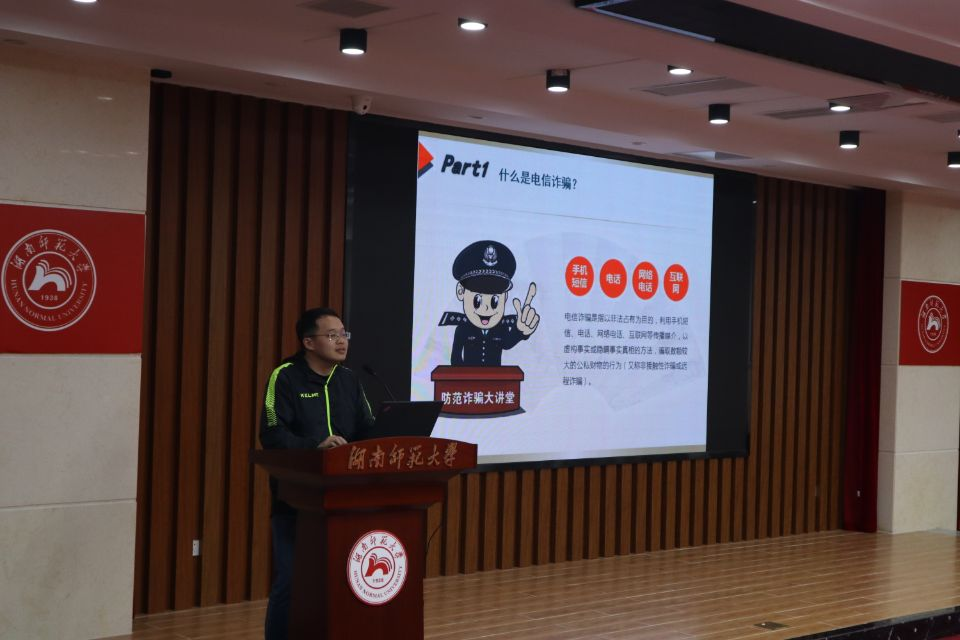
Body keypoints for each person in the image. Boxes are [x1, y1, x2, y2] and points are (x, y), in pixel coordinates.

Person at [259, 307, 374, 640]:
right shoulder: (285, 377)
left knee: (344, 579)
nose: (341, 341)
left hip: (346, 499)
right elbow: (272, 434)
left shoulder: (349, 380)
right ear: (308, 342)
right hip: (296, 501)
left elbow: (367, 430)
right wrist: (315, 446)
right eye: (332, 335)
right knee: (291, 581)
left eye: (344, 334)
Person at [438, 240, 540, 366]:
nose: (486, 308)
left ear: (505, 297)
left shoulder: (501, 327)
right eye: (477, 301)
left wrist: (519, 331)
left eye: (494, 301)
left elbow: (507, 344)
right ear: (460, 292)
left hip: (496, 379)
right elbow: (456, 358)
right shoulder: (463, 329)